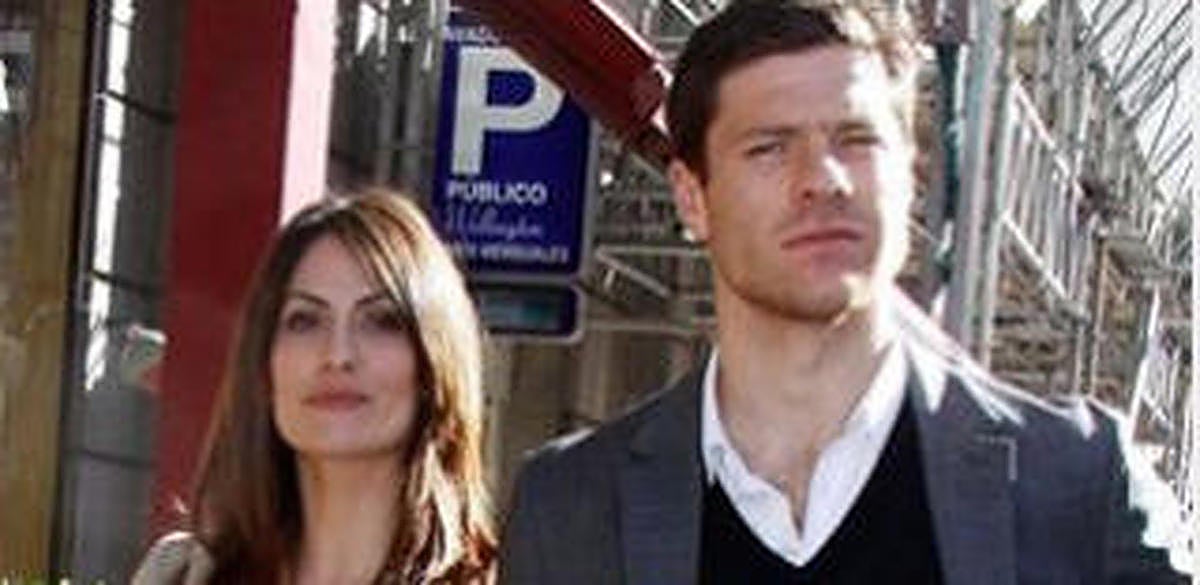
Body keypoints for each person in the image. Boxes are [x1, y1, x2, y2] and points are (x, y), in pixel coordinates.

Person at [499, 1, 1191, 583]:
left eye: (857, 139)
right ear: (692, 197)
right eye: (769, 147)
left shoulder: (1079, 489)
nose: (822, 179)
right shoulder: (572, 509)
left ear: (910, 171)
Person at [133, 191, 495, 584]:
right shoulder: (180, 576)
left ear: (434, 362)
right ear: (264, 362)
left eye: (382, 321)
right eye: (305, 321)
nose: (338, 355)